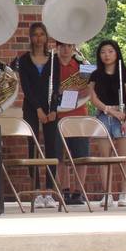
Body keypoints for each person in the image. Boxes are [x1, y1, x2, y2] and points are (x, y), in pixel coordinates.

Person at [88, 39, 126, 207]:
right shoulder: (95, 75)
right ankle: (107, 194)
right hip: (104, 115)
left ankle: (124, 194)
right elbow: (93, 98)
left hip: (122, 116)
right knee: (104, 156)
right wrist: (110, 110)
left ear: (116, 53)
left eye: (110, 51)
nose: (106, 55)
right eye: (103, 52)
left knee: (125, 156)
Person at [16, 22, 58, 209]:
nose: (39, 38)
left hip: (51, 109)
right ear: (31, 38)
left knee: (52, 147)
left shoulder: (53, 58)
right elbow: (27, 88)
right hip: (32, 108)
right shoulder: (24, 60)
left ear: (46, 37)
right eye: (35, 34)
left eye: (42, 34)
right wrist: (39, 109)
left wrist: (53, 109)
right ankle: (36, 192)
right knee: (33, 147)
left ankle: (49, 191)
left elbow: (56, 86)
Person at [55, 41, 90, 205]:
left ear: (73, 47)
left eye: (69, 46)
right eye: (62, 46)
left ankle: (79, 192)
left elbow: (91, 88)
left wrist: (76, 89)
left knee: (80, 154)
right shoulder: (52, 64)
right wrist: (58, 90)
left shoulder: (83, 63)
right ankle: (65, 190)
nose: (66, 49)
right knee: (60, 155)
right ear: (57, 47)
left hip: (79, 113)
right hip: (58, 114)